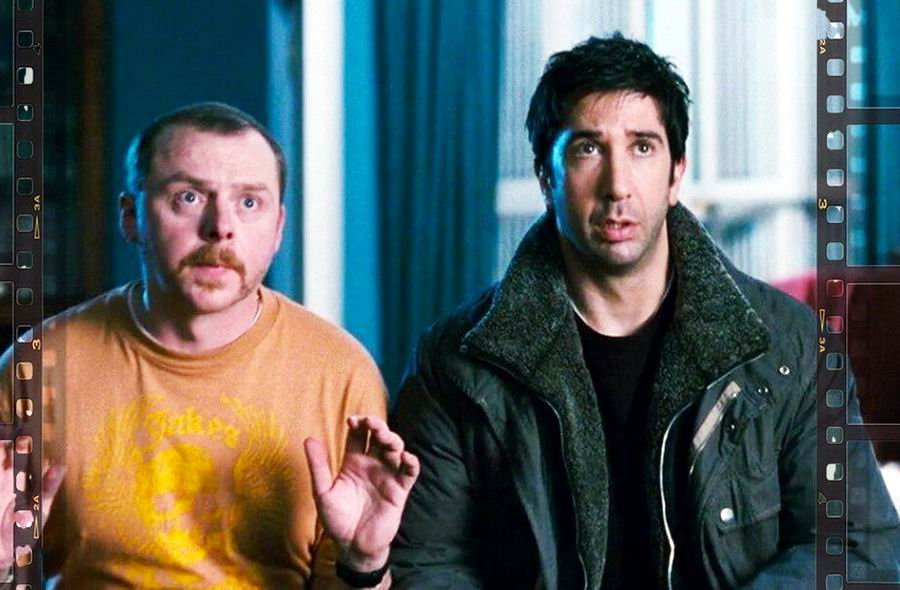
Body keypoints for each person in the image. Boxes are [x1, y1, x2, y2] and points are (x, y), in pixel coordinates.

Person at [390, 35, 900, 588]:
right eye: (588, 149)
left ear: (676, 174)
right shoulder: (455, 363)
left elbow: (856, 546)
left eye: (642, 147)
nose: (618, 187)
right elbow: (426, 563)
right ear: (546, 177)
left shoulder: (789, 346)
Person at [0, 102, 418, 589]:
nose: (221, 227)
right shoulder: (38, 365)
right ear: (131, 217)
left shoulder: (340, 374)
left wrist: (365, 563)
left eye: (249, 202)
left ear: (279, 228)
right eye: (189, 197)